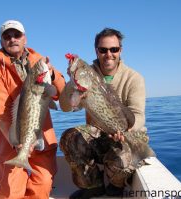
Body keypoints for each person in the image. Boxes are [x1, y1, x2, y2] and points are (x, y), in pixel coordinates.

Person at [59, 28, 148, 198]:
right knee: (69, 137)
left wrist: (128, 132)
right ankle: (93, 186)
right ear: (96, 51)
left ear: (120, 50)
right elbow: (66, 107)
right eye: (103, 50)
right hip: (98, 133)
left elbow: (138, 114)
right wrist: (72, 82)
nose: (109, 54)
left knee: (123, 158)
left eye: (113, 49)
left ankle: (116, 186)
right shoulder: (88, 75)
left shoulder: (134, 78)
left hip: (127, 132)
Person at [0, 20, 65, 199]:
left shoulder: (39, 62)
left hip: (40, 134)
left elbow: (61, 94)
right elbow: (0, 113)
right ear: (1, 42)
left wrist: (52, 75)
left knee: (43, 183)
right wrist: (17, 142)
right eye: (7, 36)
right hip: (10, 139)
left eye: (17, 35)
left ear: (25, 39)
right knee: (11, 191)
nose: (12, 39)